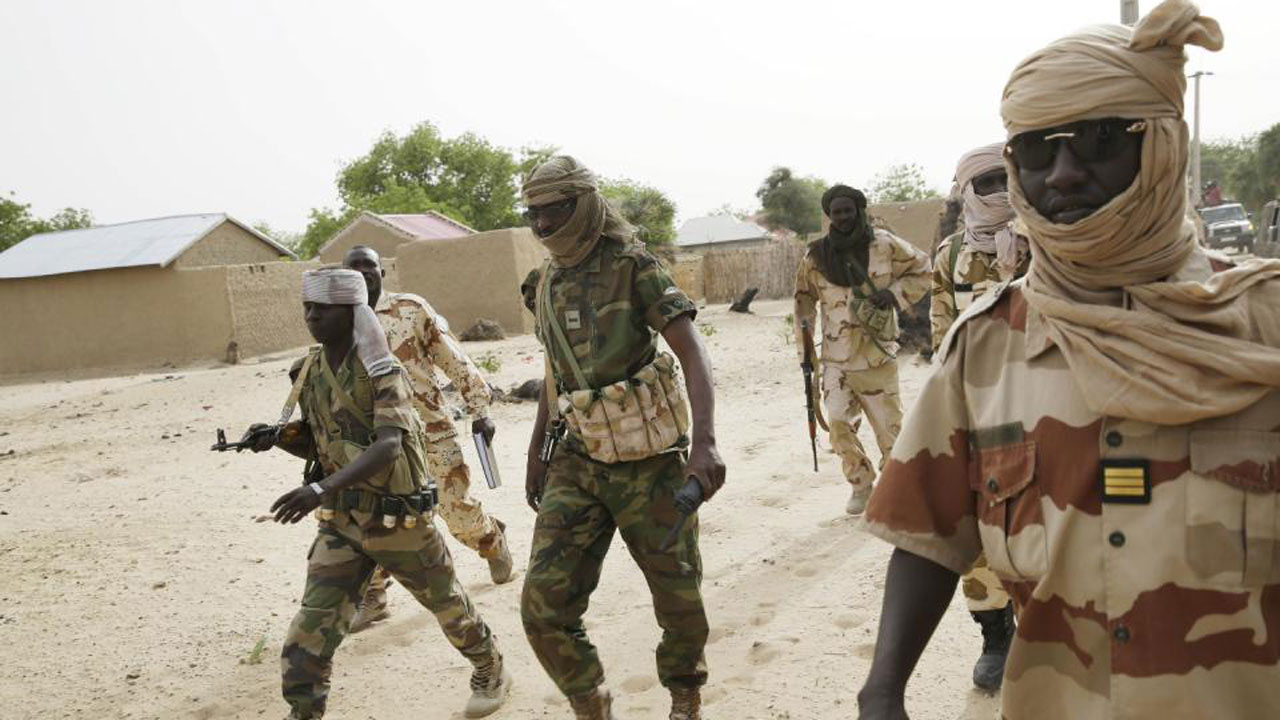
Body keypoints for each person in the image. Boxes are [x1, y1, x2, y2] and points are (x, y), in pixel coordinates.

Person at [859, 3, 1280, 718]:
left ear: (1165, 144)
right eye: (1036, 150)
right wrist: (882, 692)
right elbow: (929, 537)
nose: (1064, 174)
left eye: (1099, 141)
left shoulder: (1262, 327)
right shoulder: (987, 344)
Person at [517, 156, 726, 720]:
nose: (541, 225)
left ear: (581, 204)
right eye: (532, 213)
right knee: (543, 605)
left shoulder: (634, 267)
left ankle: (685, 695)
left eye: (553, 211)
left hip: (648, 461)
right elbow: (554, 371)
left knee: (677, 592)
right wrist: (539, 451)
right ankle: (590, 700)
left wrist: (704, 445)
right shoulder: (543, 283)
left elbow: (691, 352)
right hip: (577, 458)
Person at [251, 268, 511, 719]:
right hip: (342, 523)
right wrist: (276, 437)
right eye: (307, 308)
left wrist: (318, 488)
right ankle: (304, 711)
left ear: (351, 312)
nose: (311, 316)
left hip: (399, 520)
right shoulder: (308, 370)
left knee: (451, 610)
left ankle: (490, 668)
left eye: (322, 309)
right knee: (308, 633)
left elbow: (388, 445)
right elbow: (322, 442)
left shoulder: (383, 371)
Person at [340, 245, 515, 633]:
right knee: (376, 519)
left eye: (369, 267)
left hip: (431, 432)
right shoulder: (338, 321)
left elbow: (453, 360)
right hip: (377, 442)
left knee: (456, 511)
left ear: (381, 272)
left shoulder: (410, 309)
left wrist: (480, 410)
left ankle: (490, 538)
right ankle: (374, 596)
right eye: (353, 269)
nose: (362, 274)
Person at [929, 143, 1029, 690]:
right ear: (967, 189)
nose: (996, 191)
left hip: (1049, 403)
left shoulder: (1056, 242)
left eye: (1003, 178)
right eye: (984, 181)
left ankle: (1046, 629)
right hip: (979, 409)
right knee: (976, 524)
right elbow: (944, 342)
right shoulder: (949, 258)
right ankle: (995, 632)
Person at [793, 185, 931, 516]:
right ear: (829, 215)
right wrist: (805, 356)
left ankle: (898, 488)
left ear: (859, 210)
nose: (842, 217)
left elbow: (924, 270)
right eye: (836, 212)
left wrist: (894, 294)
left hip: (876, 355)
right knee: (839, 425)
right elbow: (803, 302)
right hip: (835, 360)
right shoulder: (815, 257)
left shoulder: (883, 244)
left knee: (890, 429)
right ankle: (860, 484)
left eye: (848, 210)